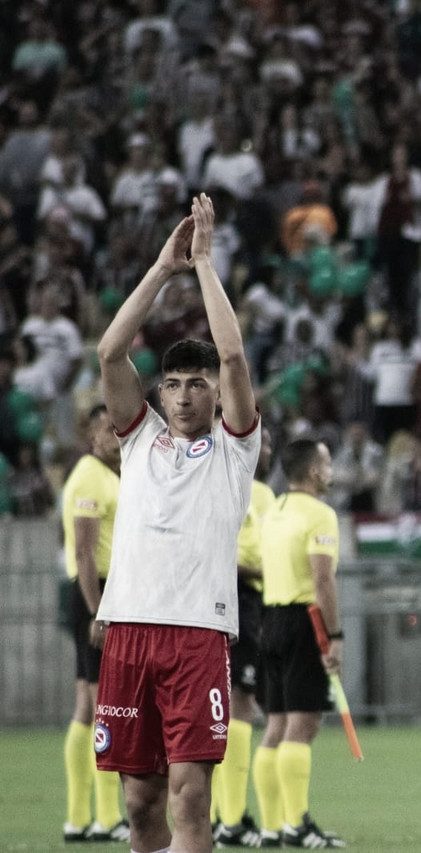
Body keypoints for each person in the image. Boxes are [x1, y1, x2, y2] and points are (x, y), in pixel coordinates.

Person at [93, 194, 261, 853]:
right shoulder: (138, 439)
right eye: (175, 384)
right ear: (160, 392)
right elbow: (111, 353)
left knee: (191, 797)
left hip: (197, 636)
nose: (186, 393)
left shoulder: (234, 447)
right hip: (129, 629)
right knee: (139, 804)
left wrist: (205, 265)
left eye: (198, 383)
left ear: (214, 393)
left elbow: (236, 356)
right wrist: (164, 271)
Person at [253, 438, 345, 849]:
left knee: (275, 726)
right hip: (303, 621)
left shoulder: (272, 511)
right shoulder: (321, 515)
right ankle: (296, 825)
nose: (330, 469)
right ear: (312, 471)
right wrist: (336, 635)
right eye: (326, 463)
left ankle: (272, 826)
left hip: (269, 620)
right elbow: (322, 579)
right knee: (303, 725)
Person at [60, 405, 128, 843]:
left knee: (89, 704)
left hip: (102, 590)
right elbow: (83, 551)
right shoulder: (88, 475)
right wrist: (97, 610)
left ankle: (79, 818)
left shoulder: (109, 474)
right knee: (103, 702)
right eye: (105, 428)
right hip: (94, 592)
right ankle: (105, 815)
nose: (113, 435)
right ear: (89, 434)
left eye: (117, 428)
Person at [211, 426, 275, 847]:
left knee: (238, 702)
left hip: (258, 601)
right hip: (232, 597)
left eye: (268, 443)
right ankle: (230, 818)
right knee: (238, 703)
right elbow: (225, 551)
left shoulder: (267, 496)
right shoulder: (226, 484)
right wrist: (262, 572)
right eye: (260, 442)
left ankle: (228, 815)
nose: (265, 449)